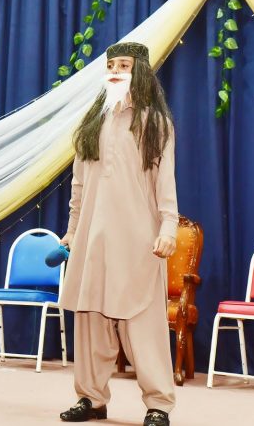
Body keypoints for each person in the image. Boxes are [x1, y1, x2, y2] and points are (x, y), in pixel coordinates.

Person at [57, 42, 178, 426]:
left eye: (123, 65)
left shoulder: (155, 123)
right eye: (110, 65)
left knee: (144, 327)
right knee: (90, 324)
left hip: (138, 242)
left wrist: (169, 228)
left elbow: (165, 184)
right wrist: (72, 232)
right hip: (92, 241)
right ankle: (91, 399)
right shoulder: (92, 123)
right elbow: (78, 187)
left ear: (139, 71)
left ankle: (158, 404)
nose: (115, 71)